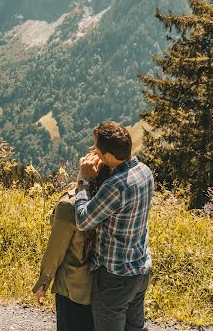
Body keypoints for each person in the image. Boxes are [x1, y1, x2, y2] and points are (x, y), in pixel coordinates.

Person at [75, 121, 154, 331]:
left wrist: (83, 180)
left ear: (109, 156)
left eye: (97, 149)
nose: (95, 152)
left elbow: (83, 220)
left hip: (114, 277)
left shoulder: (115, 186)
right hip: (139, 269)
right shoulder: (145, 172)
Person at [33, 165, 110, 331]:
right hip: (103, 288)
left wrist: (43, 283)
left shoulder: (70, 205)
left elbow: (55, 250)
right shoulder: (110, 199)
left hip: (73, 289)